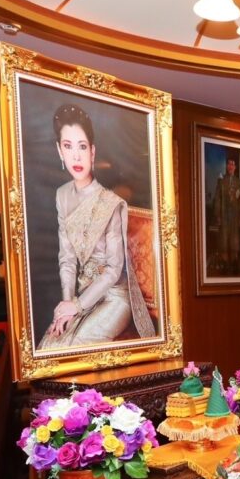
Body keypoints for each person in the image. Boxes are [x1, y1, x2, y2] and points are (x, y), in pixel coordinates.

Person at [39, 104, 155, 349]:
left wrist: (77, 306)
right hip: (84, 295)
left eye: (82, 146)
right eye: (68, 146)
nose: (76, 156)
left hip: (115, 297)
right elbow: (67, 259)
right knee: (51, 345)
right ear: (59, 150)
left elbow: (113, 270)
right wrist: (67, 304)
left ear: (92, 151)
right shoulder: (62, 195)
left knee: (77, 346)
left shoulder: (112, 203)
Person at [213, 156, 240, 273]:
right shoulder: (221, 181)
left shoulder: (238, 182)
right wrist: (218, 215)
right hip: (224, 214)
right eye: (229, 164)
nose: (230, 166)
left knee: (234, 239)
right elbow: (217, 198)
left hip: (235, 215)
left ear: (235, 167)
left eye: (232, 164)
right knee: (224, 239)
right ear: (226, 166)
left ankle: (234, 263)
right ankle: (225, 264)